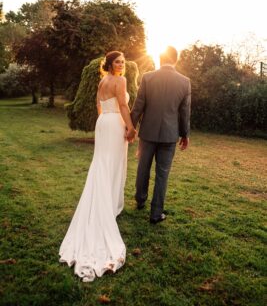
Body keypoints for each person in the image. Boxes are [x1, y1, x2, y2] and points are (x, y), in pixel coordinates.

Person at [59, 51, 136, 282]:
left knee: (102, 163)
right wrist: (130, 127)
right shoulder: (120, 80)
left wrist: (105, 120)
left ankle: (108, 202)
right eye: (118, 61)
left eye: (123, 61)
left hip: (102, 123)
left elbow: (98, 104)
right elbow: (123, 105)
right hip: (114, 123)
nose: (121, 64)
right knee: (112, 164)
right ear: (110, 64)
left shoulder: (102, 80)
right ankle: (110, 205)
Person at [130, 45, 191, 224]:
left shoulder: (148, 77)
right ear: (176, 59)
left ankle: (140, 200)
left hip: (147, 132)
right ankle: (156, 213)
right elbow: (185, 112)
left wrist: (130, 128)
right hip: (170, 135)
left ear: (160, 59)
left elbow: (138, 106)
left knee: (143, 167)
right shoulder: (184, 81)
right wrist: (185, 134)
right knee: (162, 174)